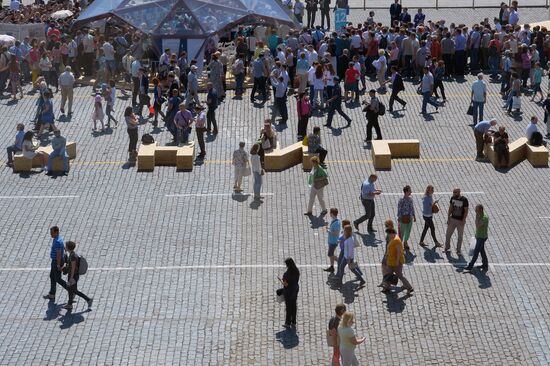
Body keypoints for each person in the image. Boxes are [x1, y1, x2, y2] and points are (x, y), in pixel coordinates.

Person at [62, 241, 93, 311]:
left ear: (68, 247)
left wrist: (71, 278)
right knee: (71, 290)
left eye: (66, 246)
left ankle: (88, 299)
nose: (65, 247)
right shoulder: (72, 254)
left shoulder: (73, 256)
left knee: (74, 290)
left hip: (73, 275)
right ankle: (69, 304)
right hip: (72, 275)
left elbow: (73, 267)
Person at [383, 227, 414, 294]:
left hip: (396, 262)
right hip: (391, 260)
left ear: (392, 233)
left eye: (388, 234)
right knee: (389, 274)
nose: (388, 235)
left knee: (399, 275)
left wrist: (397, 261)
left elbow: (398, 252)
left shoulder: (396, 240)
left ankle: (409, 287)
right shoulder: (392, 238)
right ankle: (387, 288)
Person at [43, 226, 68, 301]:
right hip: (55, 261)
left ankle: (71, 291)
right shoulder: (58, 238)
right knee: (52, 276)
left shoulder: (57, 241)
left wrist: (58, 264)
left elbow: (58, 254)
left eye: (52, 233)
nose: (51, 234)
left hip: (57, 261)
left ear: (56, 232)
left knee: (58, 279)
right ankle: (52, 294)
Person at [464, 204, 489, 271]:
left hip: (482, 237)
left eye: (476, 210)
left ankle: (470, 266)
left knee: (476, 252)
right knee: (482, 251)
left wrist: (477, 217)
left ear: (480, 210)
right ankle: (485, 265)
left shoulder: (484, 218)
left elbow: (477, 226)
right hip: (479, 236)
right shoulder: (480, 215)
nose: (475, 211)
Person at [444, 189, 469, 255]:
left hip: (460, 221)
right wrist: (448, 217)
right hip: (452, 219)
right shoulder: (452, 198)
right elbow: (450, 208)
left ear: (459, 192)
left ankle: (458, 250)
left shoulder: (464, 200)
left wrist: (463, 220)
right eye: (453, 192)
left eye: (455, 192)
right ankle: (447, 247)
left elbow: (466, 211)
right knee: (448, 234)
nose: (454, 193)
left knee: (460, 236)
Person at [281, 257, 300, 329]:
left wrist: (282, 281)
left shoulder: (286, 274)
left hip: (288, 291)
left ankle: (287, 323)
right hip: (295, 290)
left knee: (288, 307)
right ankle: (294, 322)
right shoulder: (296, 271)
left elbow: (286, 284)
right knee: (294, 306)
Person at [397, 185, 416, 251]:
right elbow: (399, 209)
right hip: (403, 218)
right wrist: (399, 217)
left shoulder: (410, 199)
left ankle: (405, 242)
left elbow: (412, 208)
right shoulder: (401, 200)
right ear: (406, 192)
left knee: (408, 231)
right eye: (410, 191)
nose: (411, 192)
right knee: (402, 232)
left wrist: (414, 216)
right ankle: (400, 244)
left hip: (410, 218)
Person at [324, 208, 342, 273]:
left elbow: (336, 233)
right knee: (331, 254)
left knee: (330, 254)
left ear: (332, 214)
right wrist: (328, 228)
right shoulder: (334, 220)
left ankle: (340, 261)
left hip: (333, 242)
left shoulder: (336, 223)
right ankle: (332, 267)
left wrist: (328, 230)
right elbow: (333, 230)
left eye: (330, 213)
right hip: (331, 240)